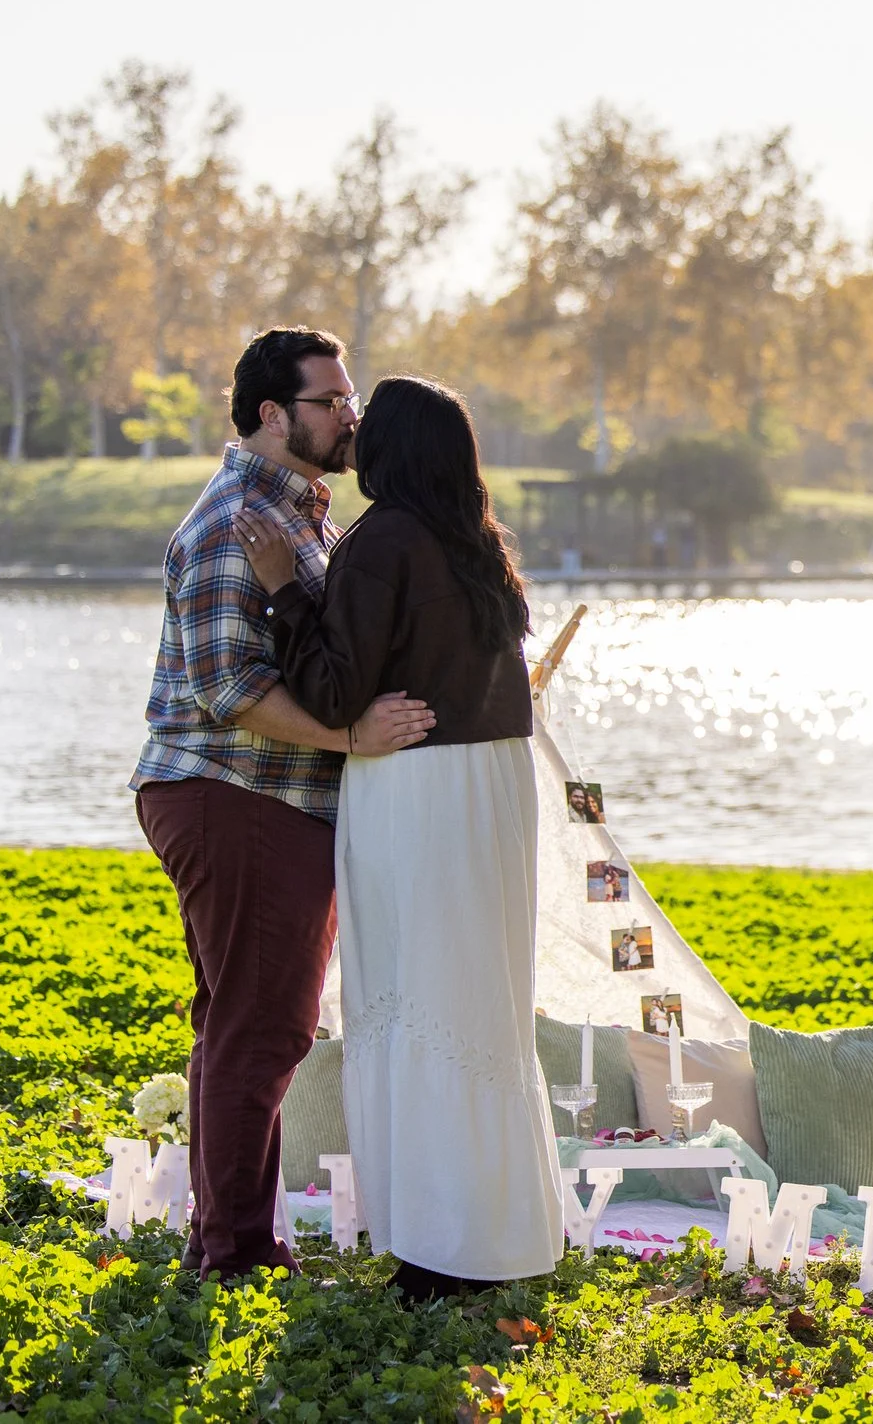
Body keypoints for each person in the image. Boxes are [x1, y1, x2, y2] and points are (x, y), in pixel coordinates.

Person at [237, 373, 563, 1301]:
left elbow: (337, 694)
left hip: (418, 792)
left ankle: (437, 1250)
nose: (355, 430)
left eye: (368, 421)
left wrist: (280, 594)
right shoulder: (481, 546)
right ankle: (498, 1234)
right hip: (494, 792)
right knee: (481, 1009)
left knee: (417, 1006)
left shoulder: (382, 541)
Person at [129, 326, 438, 1282]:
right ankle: (231, 1256)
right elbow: (230, 687)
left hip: (269, 800)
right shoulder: (236, 522)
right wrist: (353, 739)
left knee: (246, 1025)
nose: (352, 415)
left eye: (348, 400)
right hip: (234, 792)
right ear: (274, 415)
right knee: (262, 1029)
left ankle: (230, 1240)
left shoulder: (301, 517)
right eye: (332, 401)